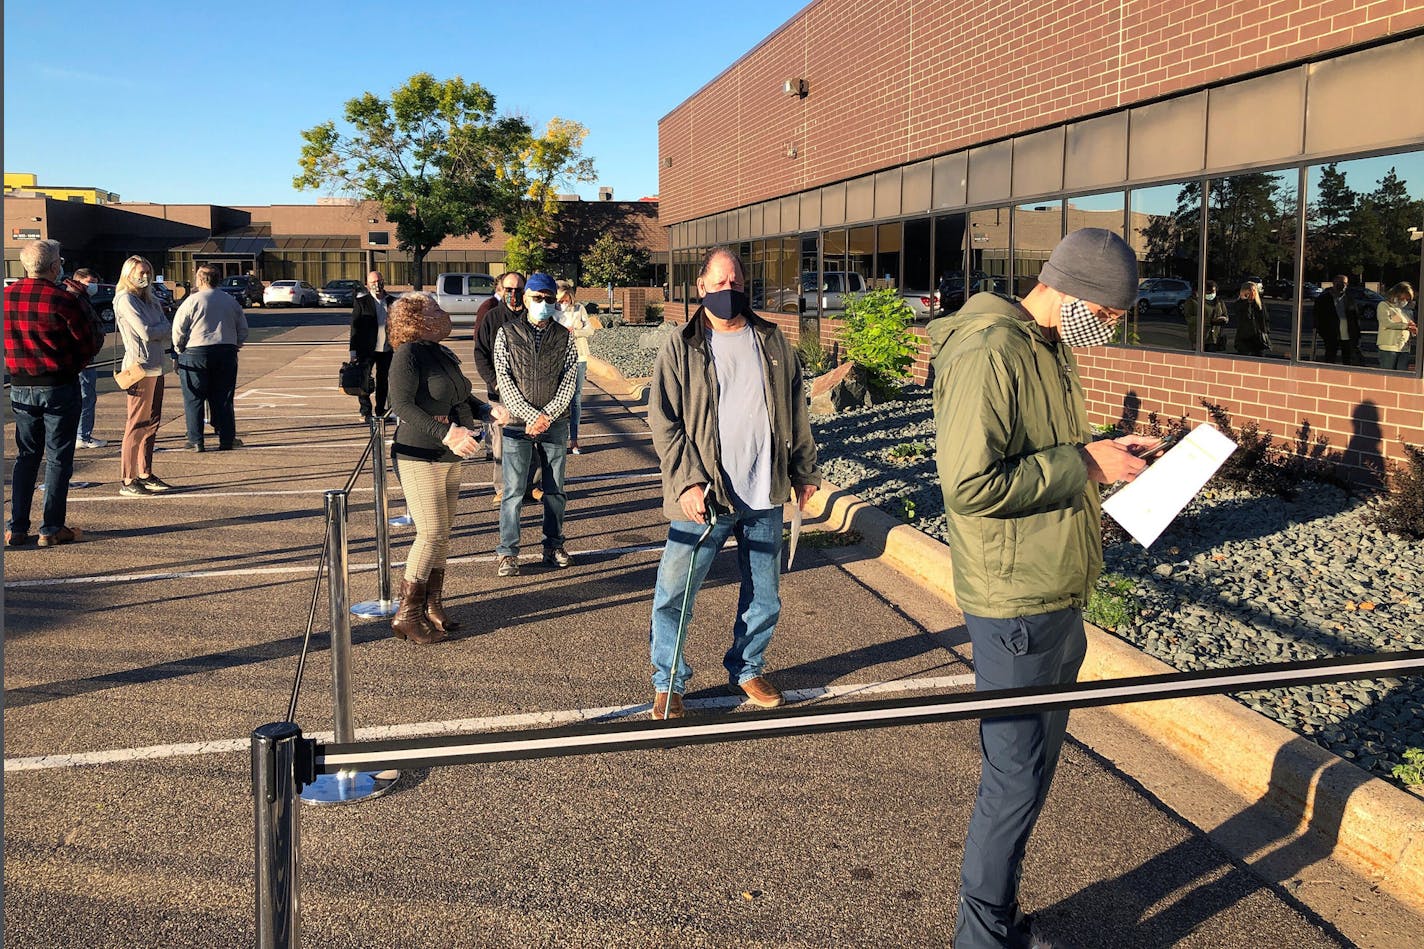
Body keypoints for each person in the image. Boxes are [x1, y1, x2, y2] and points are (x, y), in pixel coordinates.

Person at [928, 228, 1159, 949]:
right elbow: (969, 485)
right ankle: (982, 940)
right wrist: (1084, 465)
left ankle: (994, 923)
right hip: (1015, 604)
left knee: (1026, 779)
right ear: (1072, 290)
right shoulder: (990, 349)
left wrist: (1106, 454)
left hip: (1054, 590)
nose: (1112, 328)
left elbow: (1046, 453)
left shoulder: (1045, 344)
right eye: (1111, 314)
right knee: (1013, 782)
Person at [646, 247, 820, 720]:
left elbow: (796, 410)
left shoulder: (771, 340)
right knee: (677, 592)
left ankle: (747, 668)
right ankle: (669, 682)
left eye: (736, 282)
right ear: (701, 286)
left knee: (764, 594)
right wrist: (685, 482)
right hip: (705, 495)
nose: (729, 291)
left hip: (764, 492)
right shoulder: (682, 345)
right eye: (719, 283)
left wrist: (804, 471)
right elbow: (664, 422)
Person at [385, 293, 508, 644]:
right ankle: (406, 614)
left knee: (443, 534)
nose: (443, 313)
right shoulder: (407, 354)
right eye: (434, 308)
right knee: (431, 532)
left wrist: (486, 410)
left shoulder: (439, 351)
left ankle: (432, 605)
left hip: (451, 454)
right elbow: (402, 405)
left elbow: (458, 395)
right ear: (416, 317)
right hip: (420, 453)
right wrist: (446, 432)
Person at [3, 240, 103, 547]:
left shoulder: (6, 297)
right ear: (55, 266)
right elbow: (89, 344)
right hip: (58, 384)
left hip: (20, 385)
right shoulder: (62, 300)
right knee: (59, 458)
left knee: (26, 457)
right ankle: (51, 527)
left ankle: (17, 527)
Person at [491, 272, 578, 577]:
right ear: (525, 299)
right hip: (517, 424)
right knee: (514, 491)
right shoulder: (506, 333)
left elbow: (570, 381)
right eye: (537, 298)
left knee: (555, 491)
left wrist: (548, 416)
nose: (543, 303)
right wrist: (530, 416)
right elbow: (505, 379)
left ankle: (553, 545)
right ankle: (508, 552)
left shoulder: (564, 336)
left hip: (554, 424)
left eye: (548, 299)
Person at [473, 271, 537, 503]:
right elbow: (480, 353)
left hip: (530, 391)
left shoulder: (532, 317)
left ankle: (532, 485)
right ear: (501, 289)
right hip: (499, 392)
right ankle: (502, 488)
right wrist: (494, 380)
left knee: (532, 438)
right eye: (508, 289)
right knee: (501, 441)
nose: (513, 294)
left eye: (518, 290)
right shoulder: (491, 317)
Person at [114, 255, 175, 497]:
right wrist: (161, 330)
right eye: (140, 272)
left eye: (148, 272)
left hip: (157, 366)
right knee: (136, 423)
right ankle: (128, 479)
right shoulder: (125, 299)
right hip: (139, 368)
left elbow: (165, 327)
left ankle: (145, 472)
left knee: (152, 423)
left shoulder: (151, 299)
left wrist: (160, 330)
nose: (145, 276)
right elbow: (147, 332)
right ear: (128, 274)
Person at [172, 264, 249, 452]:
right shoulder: (230, 300)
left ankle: (196, 439)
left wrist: (179, 349)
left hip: (196, 351)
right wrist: (236, 343)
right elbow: (243, 329)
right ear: (218, 280)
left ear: (199, 279)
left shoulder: (192, 301)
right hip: (226, 350)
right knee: (224, 397)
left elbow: (179, 329)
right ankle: (226, 438)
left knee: (194, 397)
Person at [66, 268, 110, 449]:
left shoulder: (80, 298)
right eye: (90, 282)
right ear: (79, 280)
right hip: (82, 359)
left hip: (81, 358)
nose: (94, 286)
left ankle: (80, 434)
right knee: (86, 397)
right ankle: (82, 435)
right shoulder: (75, 299)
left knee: (82, 397)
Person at [349, 270, 395, 420]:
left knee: (383, 381)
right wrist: (353, 351)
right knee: (364, 380)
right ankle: (365, 411)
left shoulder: (393, 301)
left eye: (378, 281)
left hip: (387, 349)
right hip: (367, 349)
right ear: (367, 285)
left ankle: (381, 411)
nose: (376, 284)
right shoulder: (362, 302)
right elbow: (355, 327)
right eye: (373, 282)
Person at [556, 279, 595, 454]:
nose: (563, 303)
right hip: (559, 359)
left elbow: (590, 329)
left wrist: (575, 331)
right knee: (559, 400)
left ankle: (575, 440)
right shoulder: (552, 312)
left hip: (579, 357)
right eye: (560, 300)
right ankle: (559, 439)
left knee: (576, 399)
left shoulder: (579, 309)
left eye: (565, 299)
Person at [1313, 274, 1360, 364]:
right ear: (1334, 283)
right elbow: (1317, 316)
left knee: (1348, 360)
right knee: (1330, 358)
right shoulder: (1323, 299)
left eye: (1346, 283)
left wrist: (1356, 334)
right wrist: (1322, 332)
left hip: (1347, 335)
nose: (1343, 286)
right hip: (1331, 334)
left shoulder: (1350, 299)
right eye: (1341, 283)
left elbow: (1355, 317)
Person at [1375, 281, 1417, 371]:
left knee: (1402, 375)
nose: (1405, 301)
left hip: (1404, 348)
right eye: (1404, 298)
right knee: (1388, 375)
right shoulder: (1384, 306)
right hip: (1389, 347)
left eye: (1408, 299)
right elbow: (1387, 323)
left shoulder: (1405, 310)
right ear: (1396, 294)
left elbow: (1408, 325)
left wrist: (1413, 330)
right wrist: (1406, 326)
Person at [1185, 279, 1230, 352]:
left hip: (1215, 338)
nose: (1212, 294)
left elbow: (1225, 315)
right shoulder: (1193, 301)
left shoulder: (1219, 301)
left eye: (1214, 291)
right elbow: (1189, 318)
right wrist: (1209, 321)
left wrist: (1224, 319)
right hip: (1200, 338)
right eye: (1209, 292)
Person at [1232, 280, 1272, 357]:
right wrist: (1246, 301)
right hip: (1244, 339)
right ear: (1244, 291)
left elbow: (1265, 319)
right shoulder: (1240, 304)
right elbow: (1242, 316)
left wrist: (1265, 331)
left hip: (1259, 339)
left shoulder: (1260, 304)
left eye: (1254, 290)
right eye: (1250, 290)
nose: (1252, 292)